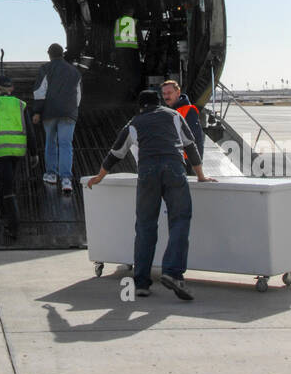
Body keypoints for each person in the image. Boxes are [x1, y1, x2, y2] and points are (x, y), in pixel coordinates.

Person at [87, 90, 216, 300]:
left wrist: (100, 176)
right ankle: (172, 272)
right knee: (180, 220)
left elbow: (115, 153)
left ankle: (141, 283)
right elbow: (190, 144)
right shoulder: (174, 116)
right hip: (174, 167)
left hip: (147, 171)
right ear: (159, 102)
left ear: (140, 106)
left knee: (145, 226)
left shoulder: (134, 123)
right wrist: (200, 175)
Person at [0, 75, 39, 237]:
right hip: (17, 151)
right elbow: (29, 130)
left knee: (7, 187)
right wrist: (34, 153)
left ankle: (13, 227)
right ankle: (2, 211)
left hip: (0, 150)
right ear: (12, 89)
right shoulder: (20, 104)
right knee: (6, 179)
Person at [32, 44, 81, 195]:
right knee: (66, 144)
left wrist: (37, 111)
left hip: (50, 112)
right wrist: (73, 109)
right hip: (68, 113)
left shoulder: (45, 69)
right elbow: (78, 95)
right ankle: (66, 180)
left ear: (49, 54)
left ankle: (51, 175)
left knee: (51, 143)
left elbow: (40, 91)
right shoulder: (75, 71)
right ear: (62, 54)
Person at [160, 79, 205, 172]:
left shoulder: (188, 111)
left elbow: (196, 139)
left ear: (178, 92)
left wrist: (196, 165)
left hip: (186, 163)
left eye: (169, 93)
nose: (166, 96)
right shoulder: (171, 111)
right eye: (164, 94)